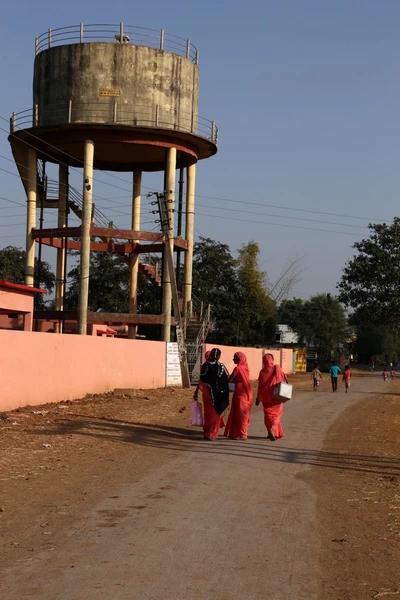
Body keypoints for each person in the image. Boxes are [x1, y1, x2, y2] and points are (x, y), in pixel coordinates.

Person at [198, 348, 230, 440]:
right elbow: (223, 382)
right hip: (217, 394)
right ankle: (212, 434)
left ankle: (207, 431)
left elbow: (201, 378)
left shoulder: (205, 365)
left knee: (207, 412)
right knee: (215, 413)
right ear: (219, 356)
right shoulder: (220, 366)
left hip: (206, 392)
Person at [255, 353, 287, 441]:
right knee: (276, 415)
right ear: (272, 360)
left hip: (265, 398)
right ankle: (272, 429)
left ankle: (271, 431)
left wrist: (258, 398)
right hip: (276, 396)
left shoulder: (262, 372)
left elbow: (260, 386)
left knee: (268, 415)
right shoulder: (277, 368)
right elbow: (284, 378)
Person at [224, 352, 253, 440]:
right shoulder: (246, 368)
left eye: (234, 358)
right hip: (246, 392)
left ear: (239, 359)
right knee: (244, 413)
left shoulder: (237, 368)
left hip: (239, 392)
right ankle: (243, 433)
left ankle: (237, 434)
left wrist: (235, 381)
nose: (233, 360)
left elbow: (229, 379)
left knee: (238, 413)